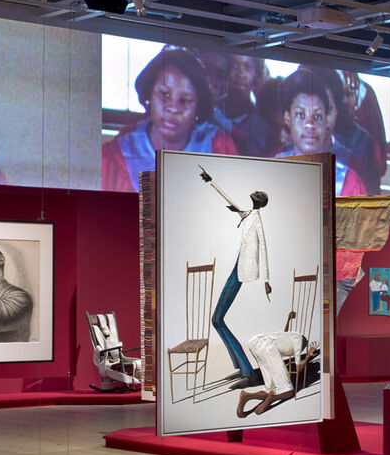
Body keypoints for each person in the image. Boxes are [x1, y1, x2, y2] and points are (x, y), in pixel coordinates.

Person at [102, 48, 236, 192]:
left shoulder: (220, 148)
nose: (172, 108)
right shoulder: (115, 156)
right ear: (149, 96)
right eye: (165, 94)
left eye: (184, 100)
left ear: (197, 107)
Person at [203, 169, 269, 386]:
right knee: (217, 320)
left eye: (256, 195)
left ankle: (248, 372)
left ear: (260, 202)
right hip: (236, 268)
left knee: (217, 319)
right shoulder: (249, 214)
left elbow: (264, 249)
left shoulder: (256, 220)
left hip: (242, 272)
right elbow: (231, 201)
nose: (253, 195)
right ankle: (242, 368)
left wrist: (267, 279)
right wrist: (212, 181)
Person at [271, 67, 367, 195]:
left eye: (317, 116)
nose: (310, 124)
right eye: (300, 115)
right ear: (287, 117)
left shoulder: (348, 181)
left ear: (326, 120)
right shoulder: (269, 169)